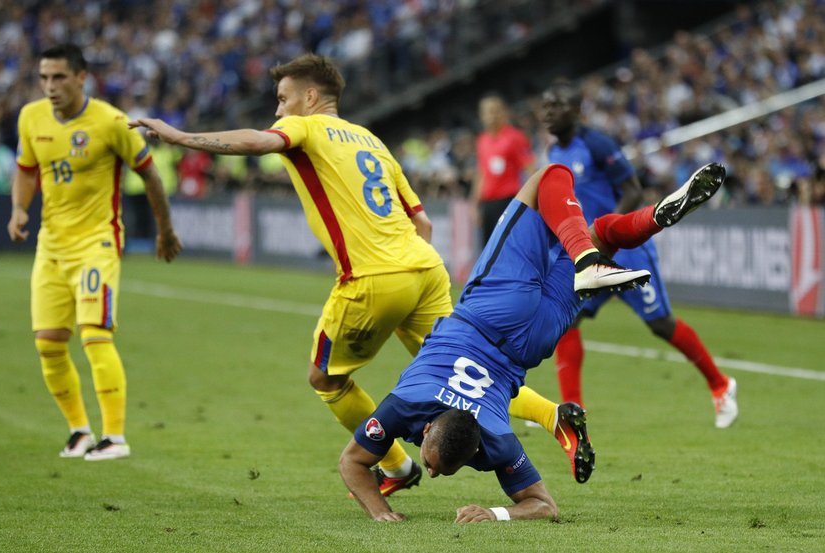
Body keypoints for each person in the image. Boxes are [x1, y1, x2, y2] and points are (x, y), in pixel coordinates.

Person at [129, 53, 646, 496]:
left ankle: (395, 466)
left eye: (283, 99)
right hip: (423, 269)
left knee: (325, 378)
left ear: (311, 97)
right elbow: (420, 220)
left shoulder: (305, 127)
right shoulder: (373, 142)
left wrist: (177, 135)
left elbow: (253, 144)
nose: (277, 111)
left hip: (374, 278)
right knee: (468, 369)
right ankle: (555, 416)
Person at [339, 161, 726, 522]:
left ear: (428, 433)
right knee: (590, 222)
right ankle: (650, 219)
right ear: (473, 451)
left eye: (430, 465)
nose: (434, 473)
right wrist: (497, 514)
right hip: (499, 315)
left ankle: (591, 258)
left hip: (518, 331)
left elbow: (351, 462)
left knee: (549, 178)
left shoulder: (494, 436)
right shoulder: (412, 408)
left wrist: (381, 512)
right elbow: (544, 506)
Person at [6, 44, 182, 461]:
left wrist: (165, 230)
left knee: (94, 335)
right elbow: (26, 170)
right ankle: (79, 430)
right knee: (48, 344)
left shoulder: (110, 121)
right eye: (44, 78)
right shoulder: (31, 117)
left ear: (81, 77)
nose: (50, 86)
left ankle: (115, 437)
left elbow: (151, 174)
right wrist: (17, 208)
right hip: (50, 245)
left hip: (96, 244)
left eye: (59, 77)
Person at [540, 79, 738, 429]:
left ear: (574, 110)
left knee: (660, 324)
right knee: (568, 321)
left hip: (626, 250)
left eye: (555, 105)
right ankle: (573, 409)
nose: (547, 113)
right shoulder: (554, 153)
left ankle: (721, 386)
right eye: (545, 106)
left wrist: (606, 233)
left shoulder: (597, 144)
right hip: (588, 253)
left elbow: (633, 190)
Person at [470, 94, 535, 248]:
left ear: (504, 113)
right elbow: (481, 173)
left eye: (496, 111)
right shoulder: (482, 140)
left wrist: (531, 201)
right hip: (488, 205)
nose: (492, 116)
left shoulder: (515, 138)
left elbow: (530, 168)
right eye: (488, 112)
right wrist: (474, 204)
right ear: (482, 116)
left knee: (512, 247)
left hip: (509, 201)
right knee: (490, 249)